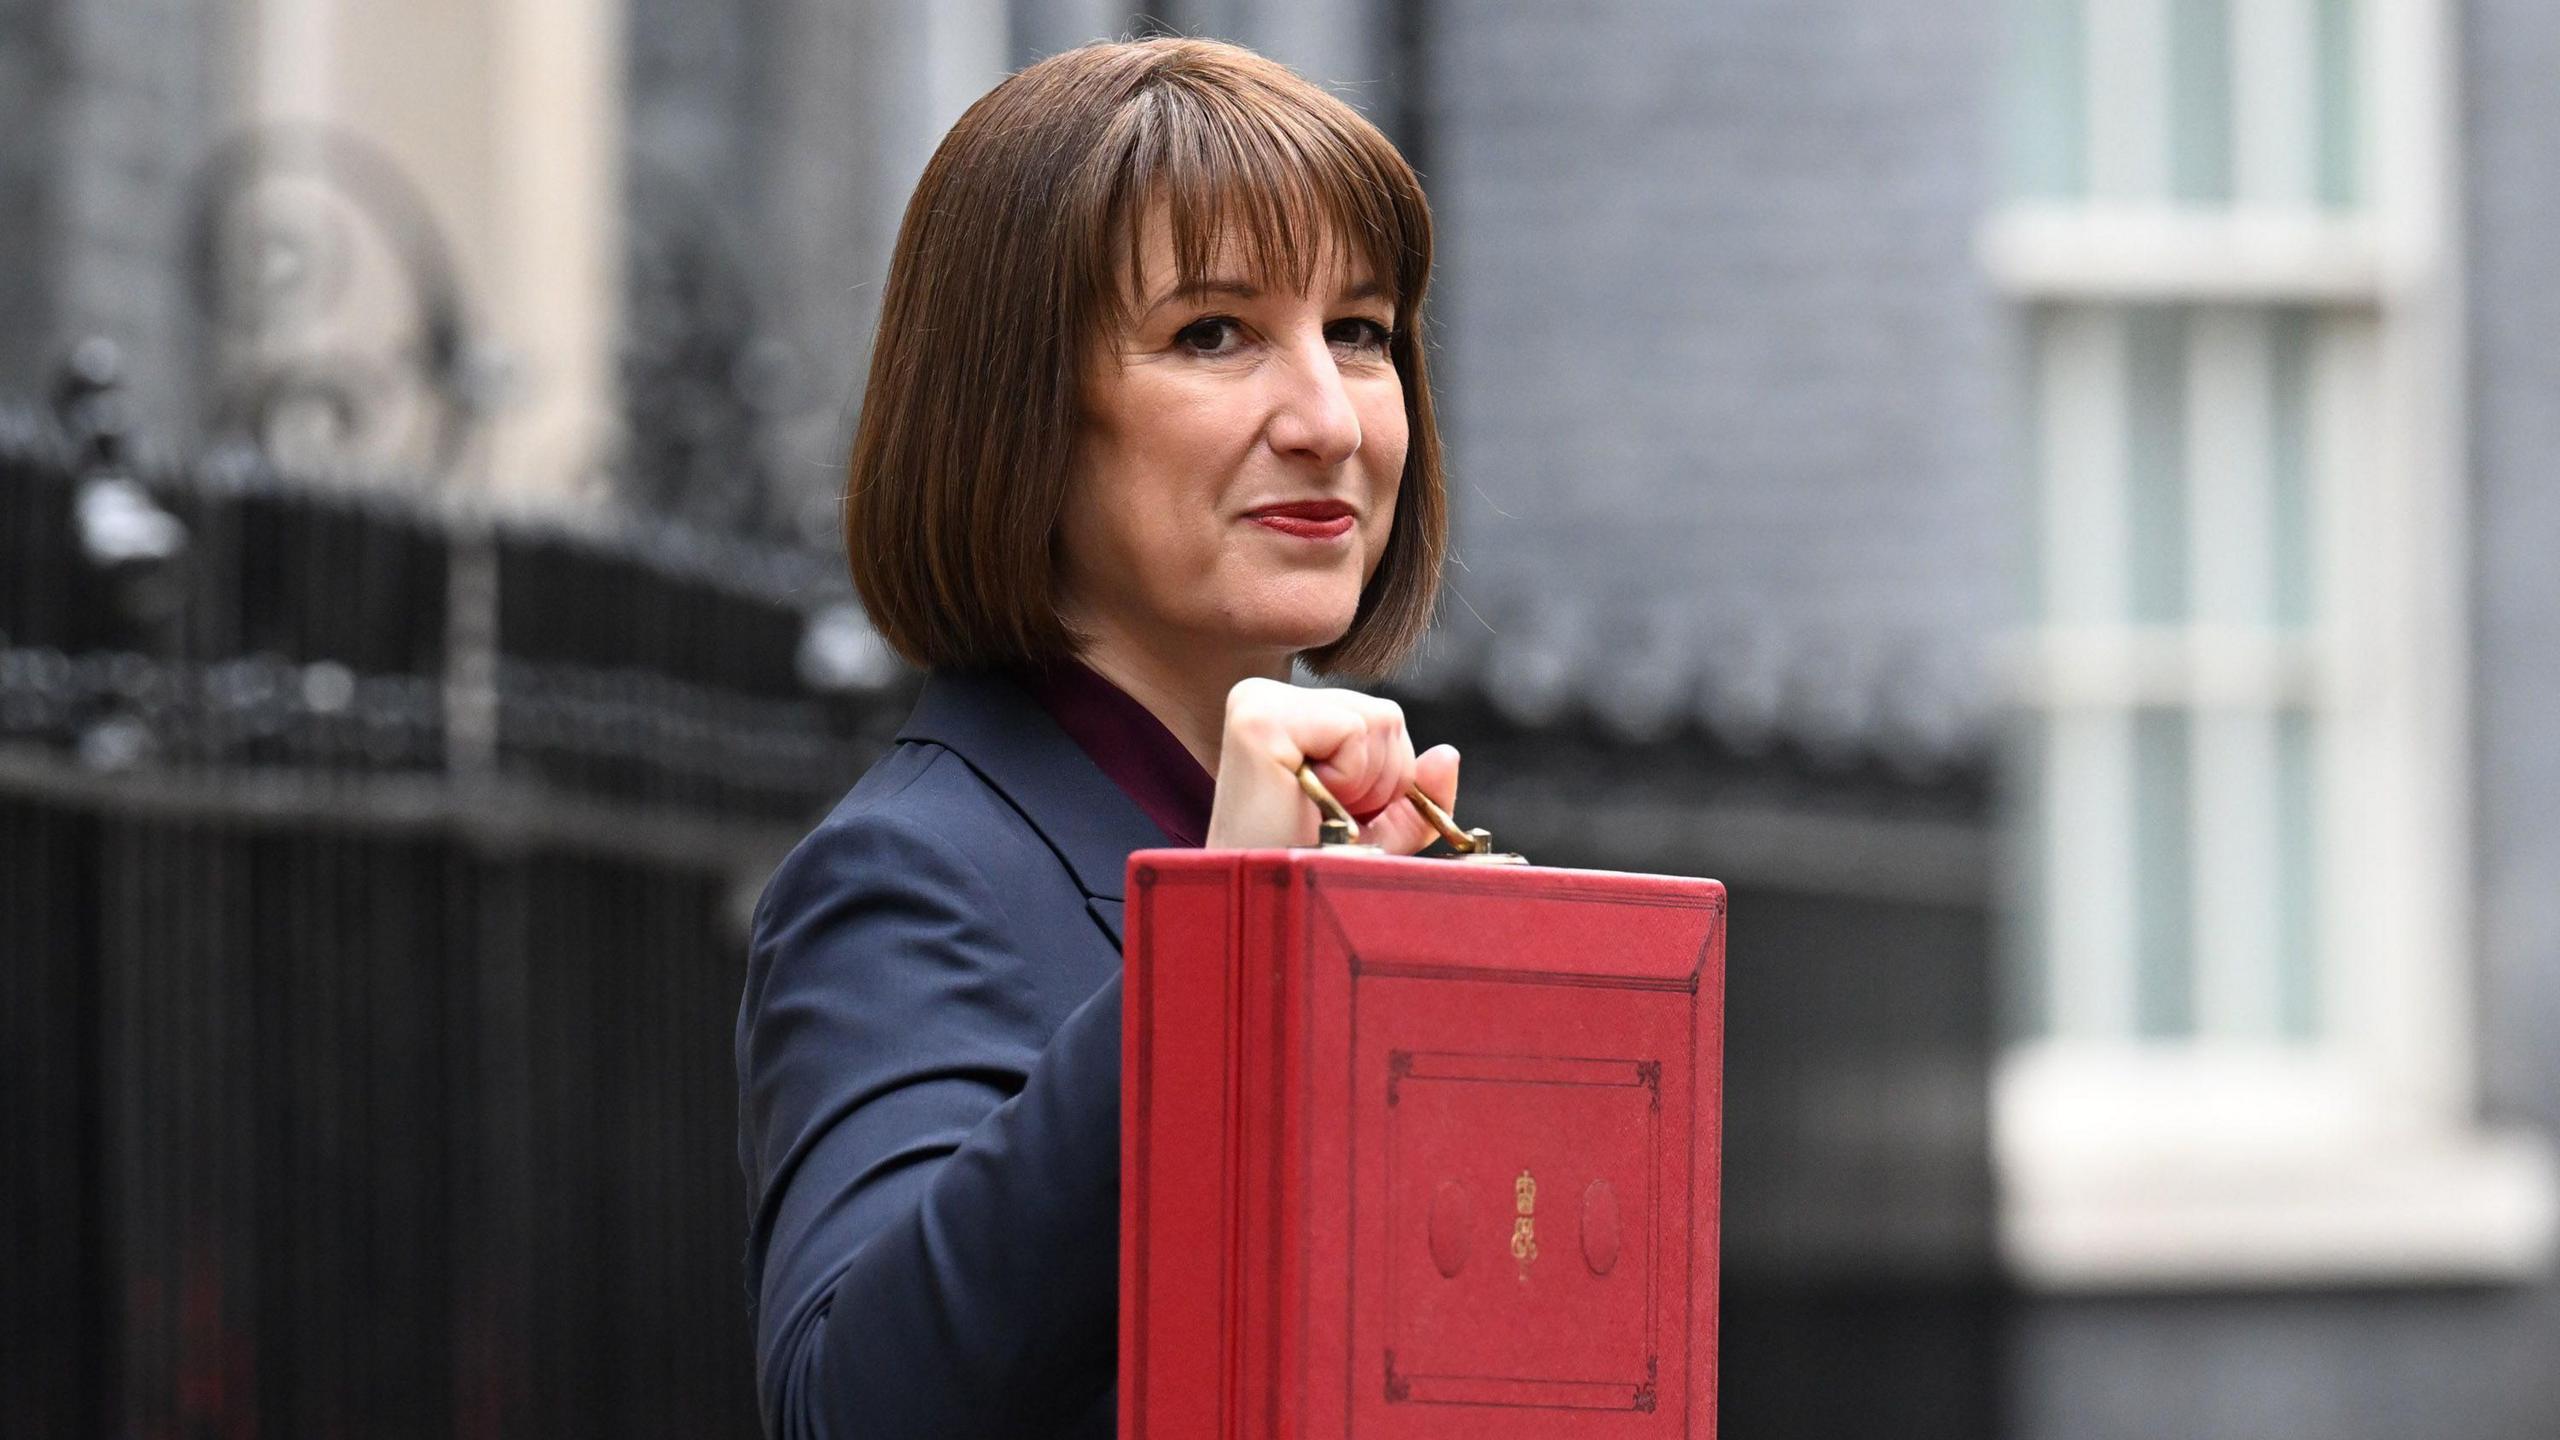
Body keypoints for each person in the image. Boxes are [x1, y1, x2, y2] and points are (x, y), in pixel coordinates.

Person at [734, 36, 1458, 1439]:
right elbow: (848, 1410)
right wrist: (1222, 944)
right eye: (1213, 333)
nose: (1327, 420)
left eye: (1361, 332)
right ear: (1016, 411)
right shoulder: (908, 874)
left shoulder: (1367, 851)